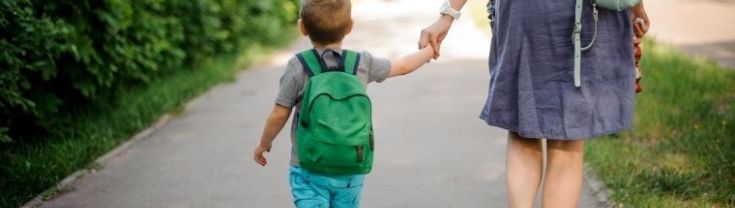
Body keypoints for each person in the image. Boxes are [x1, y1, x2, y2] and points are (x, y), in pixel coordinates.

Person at [419, 0, 650, 207]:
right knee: (566, 138)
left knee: (524, 124)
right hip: (583, 12)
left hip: (523, 12)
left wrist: (448, 14)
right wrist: (635, 6)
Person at [252, 0, 435, 207]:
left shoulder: (298, 65)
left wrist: (264, 143)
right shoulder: (361, 63)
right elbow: (402, 66)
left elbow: (279, 112)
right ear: (350, 26)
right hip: (351, 164)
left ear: (302, 27)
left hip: (308, 166)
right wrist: (431, 50)